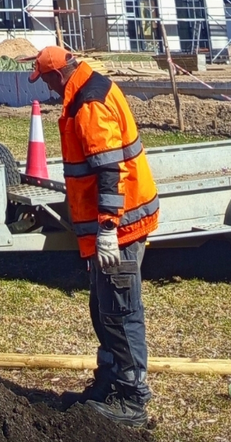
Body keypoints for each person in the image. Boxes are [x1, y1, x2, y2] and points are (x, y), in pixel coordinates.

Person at [29, 46, 159, 428]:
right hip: (117, 227)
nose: (49, 90)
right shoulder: (88, 89)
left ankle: (131, 399)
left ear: (57, 74)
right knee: (105, 309)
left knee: (120, 313)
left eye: (47, 81)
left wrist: (106, 229)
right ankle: (109, 381)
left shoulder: (89, 104)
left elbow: (108, 171)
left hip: (118, 229)